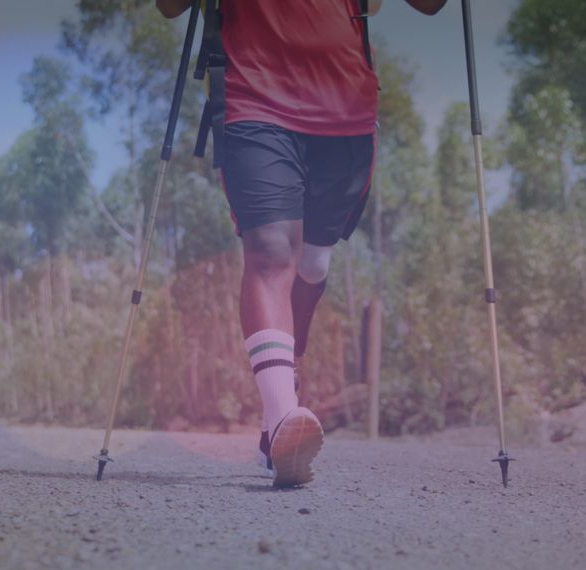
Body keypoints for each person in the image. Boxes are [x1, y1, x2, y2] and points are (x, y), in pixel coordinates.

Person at [156, 0, 447, 487]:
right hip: (255, 99)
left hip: (345, 110)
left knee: (313, 261)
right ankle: (284, 413)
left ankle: (279, 410)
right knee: (272, 255)